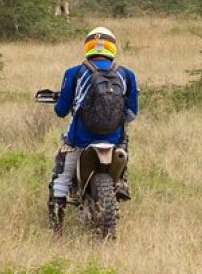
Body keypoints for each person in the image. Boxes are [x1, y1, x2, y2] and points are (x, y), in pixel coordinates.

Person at [47, 26, 138, 234]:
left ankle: (56, 229)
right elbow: (132, 113)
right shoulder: (126, 74)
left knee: (61, 177)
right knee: (124, 148)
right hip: (114, 140)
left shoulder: (74, 73)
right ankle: (121, 182)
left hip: (79, 140)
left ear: (88, 47)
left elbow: (61, 110)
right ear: (112, 47)